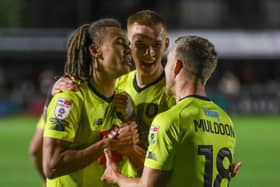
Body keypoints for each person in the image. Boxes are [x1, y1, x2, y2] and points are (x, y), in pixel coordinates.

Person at [101, 35, 237, 187]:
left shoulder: (171, 119)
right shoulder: (226, 121)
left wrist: (116, 176)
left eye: (167, 63)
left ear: (176, 66)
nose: (165, 69)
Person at [43, 18, 139, 187]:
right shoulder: (70, 98)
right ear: (95, 50)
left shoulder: (124, 103)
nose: (128, 50)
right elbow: (51, 166)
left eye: (128, 45)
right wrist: (106, 144)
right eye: (119, 43)